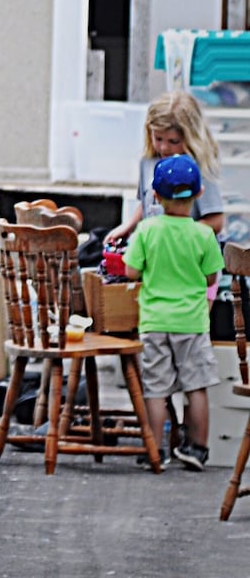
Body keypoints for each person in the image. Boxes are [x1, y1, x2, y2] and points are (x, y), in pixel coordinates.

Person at [122, 154, 223, 471]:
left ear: (155, 196)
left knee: (156, 390)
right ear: (199, 194)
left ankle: (156, 450)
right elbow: (210, 278)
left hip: (155, 322)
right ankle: (198, 449)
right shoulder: (204, 235)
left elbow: (130, 272)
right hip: (192, 323)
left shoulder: (147, 230)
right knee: (196, 386)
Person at [107, 91, 224, 244]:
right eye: (158, 138)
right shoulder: (148, 161)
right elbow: (148, 204)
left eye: (173, 141)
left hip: (188, 254)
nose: (164, 147)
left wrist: (175, 234)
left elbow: (216, 221)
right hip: (156, 252)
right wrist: (129, 226)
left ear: (190, 137)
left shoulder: (198, 166)